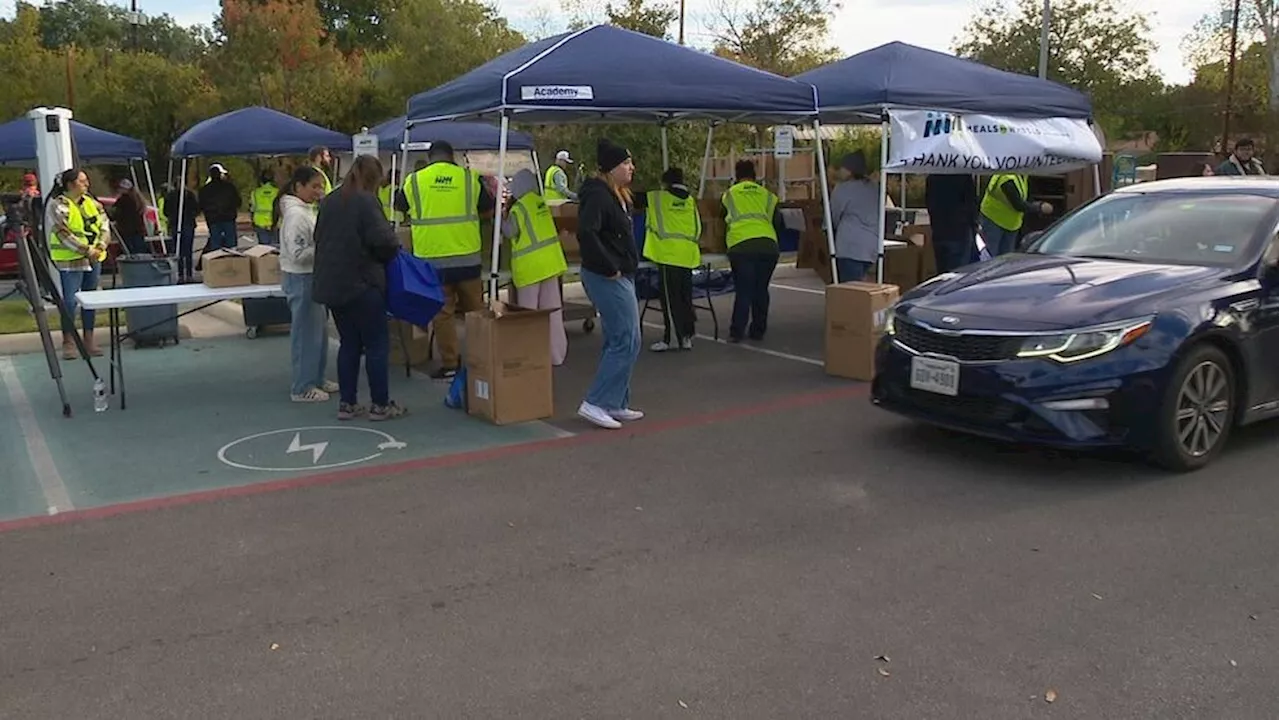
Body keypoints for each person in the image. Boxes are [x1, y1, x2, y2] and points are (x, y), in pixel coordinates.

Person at [312, 155, 406, 421]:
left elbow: (318, 237)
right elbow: (384, 241)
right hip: (362, 282)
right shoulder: (366, 201)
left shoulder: (330, 200)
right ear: (375, 179)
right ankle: (380, 404)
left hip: (332, 284)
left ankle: (348, 403)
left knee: (349, 344)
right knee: (377, 344)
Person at [397, 140, 497, 380]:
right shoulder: (470, 178)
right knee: (476, 312)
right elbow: (488, 209)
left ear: (430, 158)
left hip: (432, 261)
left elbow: (400, 207)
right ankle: (482, 361)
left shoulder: (414, 181)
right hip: (468, 258)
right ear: (451, 157)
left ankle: (451, 364)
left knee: (443, 315)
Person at [576, 138, 643, 430]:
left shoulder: (617, 195)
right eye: (626, 163)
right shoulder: (598, 196)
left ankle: (615, 401)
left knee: (625, 338)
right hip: (606, 276)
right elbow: (586, 233)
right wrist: (610, 267)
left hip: (619, 273)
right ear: (612, 168)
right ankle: (595, 401)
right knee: (625, 339)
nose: (631, 168)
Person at [276, 166, 338, 403]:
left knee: (318, 333)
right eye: (313, 186)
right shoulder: (296, 216)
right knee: (305, 335)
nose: (318, 191)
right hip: (301, 278)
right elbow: (298, 253)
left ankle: (316, 377)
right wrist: (324, 247)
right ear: (298, 187)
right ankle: (302, 387)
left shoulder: (306, 211)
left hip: (312, 276)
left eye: (320, 186)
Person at [501, 168, 569, 365]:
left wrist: (500, 218)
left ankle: (530, 355)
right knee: (553, 312)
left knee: (528, 314)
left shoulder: (519, 208)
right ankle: (556, 355)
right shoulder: (541, 203)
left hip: (530, 268)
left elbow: (509, 232)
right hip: (551, 264)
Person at [45, 168, 108, 360]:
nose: (87, 184)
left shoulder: (93, 204)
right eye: (82, 181)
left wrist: (100, 246)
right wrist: (88, 251)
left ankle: (89, 340)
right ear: (70, 184)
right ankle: (69, 342)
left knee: (90, 300)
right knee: (70, 302)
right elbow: (64, 234)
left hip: (94, 258)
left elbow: (104, 226)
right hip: (70, 260)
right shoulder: (58, 205)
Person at [721, 159, 784, 343]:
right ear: (755, 175)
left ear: (736, 175)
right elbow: (778, 221)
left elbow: (720, 220)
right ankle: (758, 330)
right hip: (768, 246)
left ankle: (737, 332)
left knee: (744, 290)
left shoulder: (730, 194)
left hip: (741, 245)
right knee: (761, 289)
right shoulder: (767, 195)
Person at [639, 166, 700, 352]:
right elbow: (698, 227)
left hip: (667, 255)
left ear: (665, 183)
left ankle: (672, 339)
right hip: (687, 255)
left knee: (670, 299)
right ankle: (687, 336)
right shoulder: (690, 201)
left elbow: (634, 198)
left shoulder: (658, 197)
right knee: (685, 298)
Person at [827, 152, 881, 283]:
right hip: (872, 245)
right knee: (864, 286)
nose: (839, 171)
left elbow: (833, 216)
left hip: (850, 246)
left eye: (842, 167)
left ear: (849, 170)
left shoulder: (843, 189)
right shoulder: (875, 188)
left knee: (851, 289)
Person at [978, 173, 1052, 256]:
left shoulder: (1021, 175)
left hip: (1010, 223)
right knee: (990, 255)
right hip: (993, 219)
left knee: (1006, 257)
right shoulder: (1006, 178)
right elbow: (1018, 204)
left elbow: (1025, 197)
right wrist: (1039, 207)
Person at [925, 173, 980, 273]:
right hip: (959, 231)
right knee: (958, 274)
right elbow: (971, 204)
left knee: (942, 273)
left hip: (939, 230)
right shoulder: (963, 176)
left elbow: (929, 204)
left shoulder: (932, 177)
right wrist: (974, 224)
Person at [199, 163, 241, 253]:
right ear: (219, 174)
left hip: (213, 219)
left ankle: (217, 260)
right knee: (231, 242)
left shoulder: (205, 190)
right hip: (228, 218)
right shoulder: (229, 187)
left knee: (215, 243)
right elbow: (237, 201)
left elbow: (201, 205)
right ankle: (233, 260)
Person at [165, 179, 200, 282]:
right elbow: (197, 209)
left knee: (179, 250)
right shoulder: (189, 195)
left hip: (178, 223)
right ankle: (187, 274)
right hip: (185, 223)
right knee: (186, 250)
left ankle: (182, 274)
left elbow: (166, 211)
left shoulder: (172, 195)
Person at [111, 179, 148, 256]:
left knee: (129, 253)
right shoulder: (138, 200)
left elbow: (116, 215)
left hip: (127, 231)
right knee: (140, 252)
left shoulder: (123, 201)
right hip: (138, 231)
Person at [250, 171, 280, 246]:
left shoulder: (255, 192)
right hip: (275, 222)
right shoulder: (278, 192)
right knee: (275, 247)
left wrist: (252, 220)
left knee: (263, 248)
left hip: (260, 222)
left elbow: (252, 208)